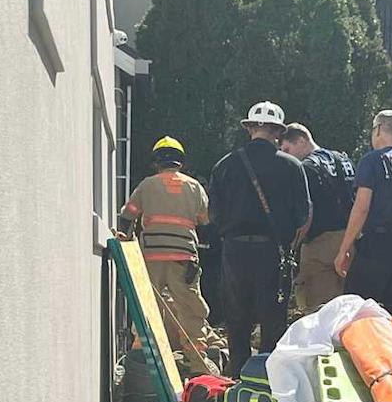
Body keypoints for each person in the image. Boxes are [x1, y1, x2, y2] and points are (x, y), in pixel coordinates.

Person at [208, 101, 311, 377]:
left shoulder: (225, 166)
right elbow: (303, 215)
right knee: (273, 322)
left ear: (249, 128)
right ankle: (268, 382)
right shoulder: (291, 166)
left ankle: (237, 381)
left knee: (236, 319)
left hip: (235, 251)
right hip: (273, 252)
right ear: (278, 132)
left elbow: (214, 214)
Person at [117, 136, 222, 372]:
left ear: (157, 162)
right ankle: (196, 360)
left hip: (151, 257)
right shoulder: (194, 187)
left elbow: (128, 215)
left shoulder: (146, 185)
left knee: (148, 305)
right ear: (181, 162)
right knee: (190, 307)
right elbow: (205, 221)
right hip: (183, 258)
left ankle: (140, 357)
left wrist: (126, 238)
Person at [335, 110, 392, 319]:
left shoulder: (372, 161)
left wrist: (344, 248)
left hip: (376, 245)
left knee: (356, 310)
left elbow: (362, 208)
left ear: (377, 129)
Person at [279, 123, 355, 311]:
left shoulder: (305, 168)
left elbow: (306, 211)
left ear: (302, 141)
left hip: (319, 244)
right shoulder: (344, 160)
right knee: (347, 307)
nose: (286, 156)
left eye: (287, 149)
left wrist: (293, 245)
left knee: (319, 308)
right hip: (350, 240)